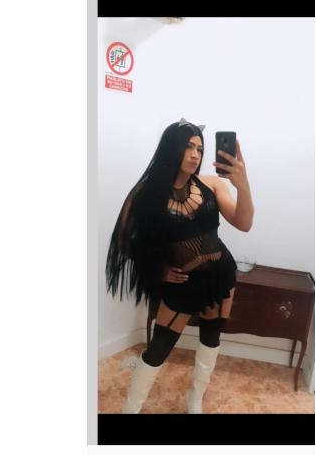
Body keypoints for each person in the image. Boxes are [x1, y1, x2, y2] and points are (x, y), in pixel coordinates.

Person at [105, 118, 254, 414]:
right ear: (171, 147)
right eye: (188, 146)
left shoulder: (212, 183)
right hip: (182, 282)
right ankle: (131, 408)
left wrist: (242, 183)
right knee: (160, 345)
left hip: (220, 275)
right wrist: (159, 269)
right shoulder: (145, 193)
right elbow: (122, 241)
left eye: (199, 148)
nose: (195, 154)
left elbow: (244, 223)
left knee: (211, 336)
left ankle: (195, 398)